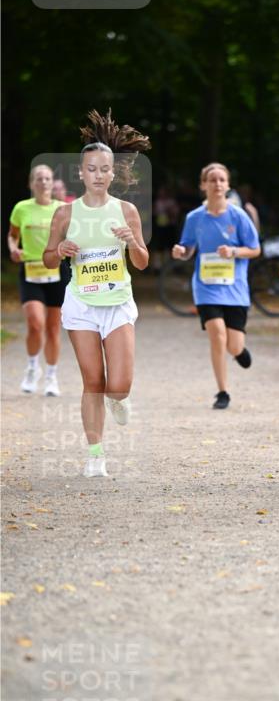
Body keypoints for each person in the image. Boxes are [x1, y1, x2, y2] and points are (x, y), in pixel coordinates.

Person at [42, 109, 151, 478]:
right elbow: (45, 258)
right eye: (92, 169)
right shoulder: (65, 214)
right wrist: (59, 252)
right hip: (82, 305)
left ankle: (119, 402)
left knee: (117, 386)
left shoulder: (126, 210)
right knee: (93, 381)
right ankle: (95, 455)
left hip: (117, 303)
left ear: (112, 171)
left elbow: (142, 263)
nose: (99, 175)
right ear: (81, 172)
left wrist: (132, 241)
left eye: (105, 169)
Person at [172, 162, 261, 408]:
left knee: (233, 344)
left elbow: (255, 250)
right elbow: (188, 248)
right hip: (206, 287)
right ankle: (223, 392)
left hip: (235, 289)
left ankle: (239, 351)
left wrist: (233, 251)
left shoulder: (238, 216)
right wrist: (181, 251)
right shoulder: (194, 218)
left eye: (222, 179)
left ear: (228, 185)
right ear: (203, 185)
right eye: (212, 180)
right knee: (217, 336)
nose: (217, 184)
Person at [7, 164, 68, 395]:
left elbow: (74, 236)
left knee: (53, 329)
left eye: (47, 179)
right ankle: (32, 368)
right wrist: (14, 249)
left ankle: (51, 376)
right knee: (35, 324)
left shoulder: (63, 209)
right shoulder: (21, 208)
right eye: (39, 179)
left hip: (56, 272)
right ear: (31, 183)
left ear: (53, 183)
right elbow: (13, 236)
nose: (43, 182)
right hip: (30, 270)